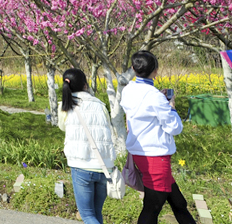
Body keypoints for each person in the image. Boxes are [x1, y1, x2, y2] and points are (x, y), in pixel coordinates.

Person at [121, 51, 195, 224]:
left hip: (139, 153)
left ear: (133, 69)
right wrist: (171, 106)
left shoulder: (128, 90)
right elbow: (175, 127)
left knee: (179, 203)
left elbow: (143, 110)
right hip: (155, 157)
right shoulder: (155, 97)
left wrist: (161, 101)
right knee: (152, 208)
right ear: (155, 71)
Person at [57, 68, 115, 224]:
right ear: (85, 84)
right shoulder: (100, 104)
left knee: (87, 215)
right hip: (104, 165)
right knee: (96, 213)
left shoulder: (65, 106)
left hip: (81, 165)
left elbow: (62, 127)